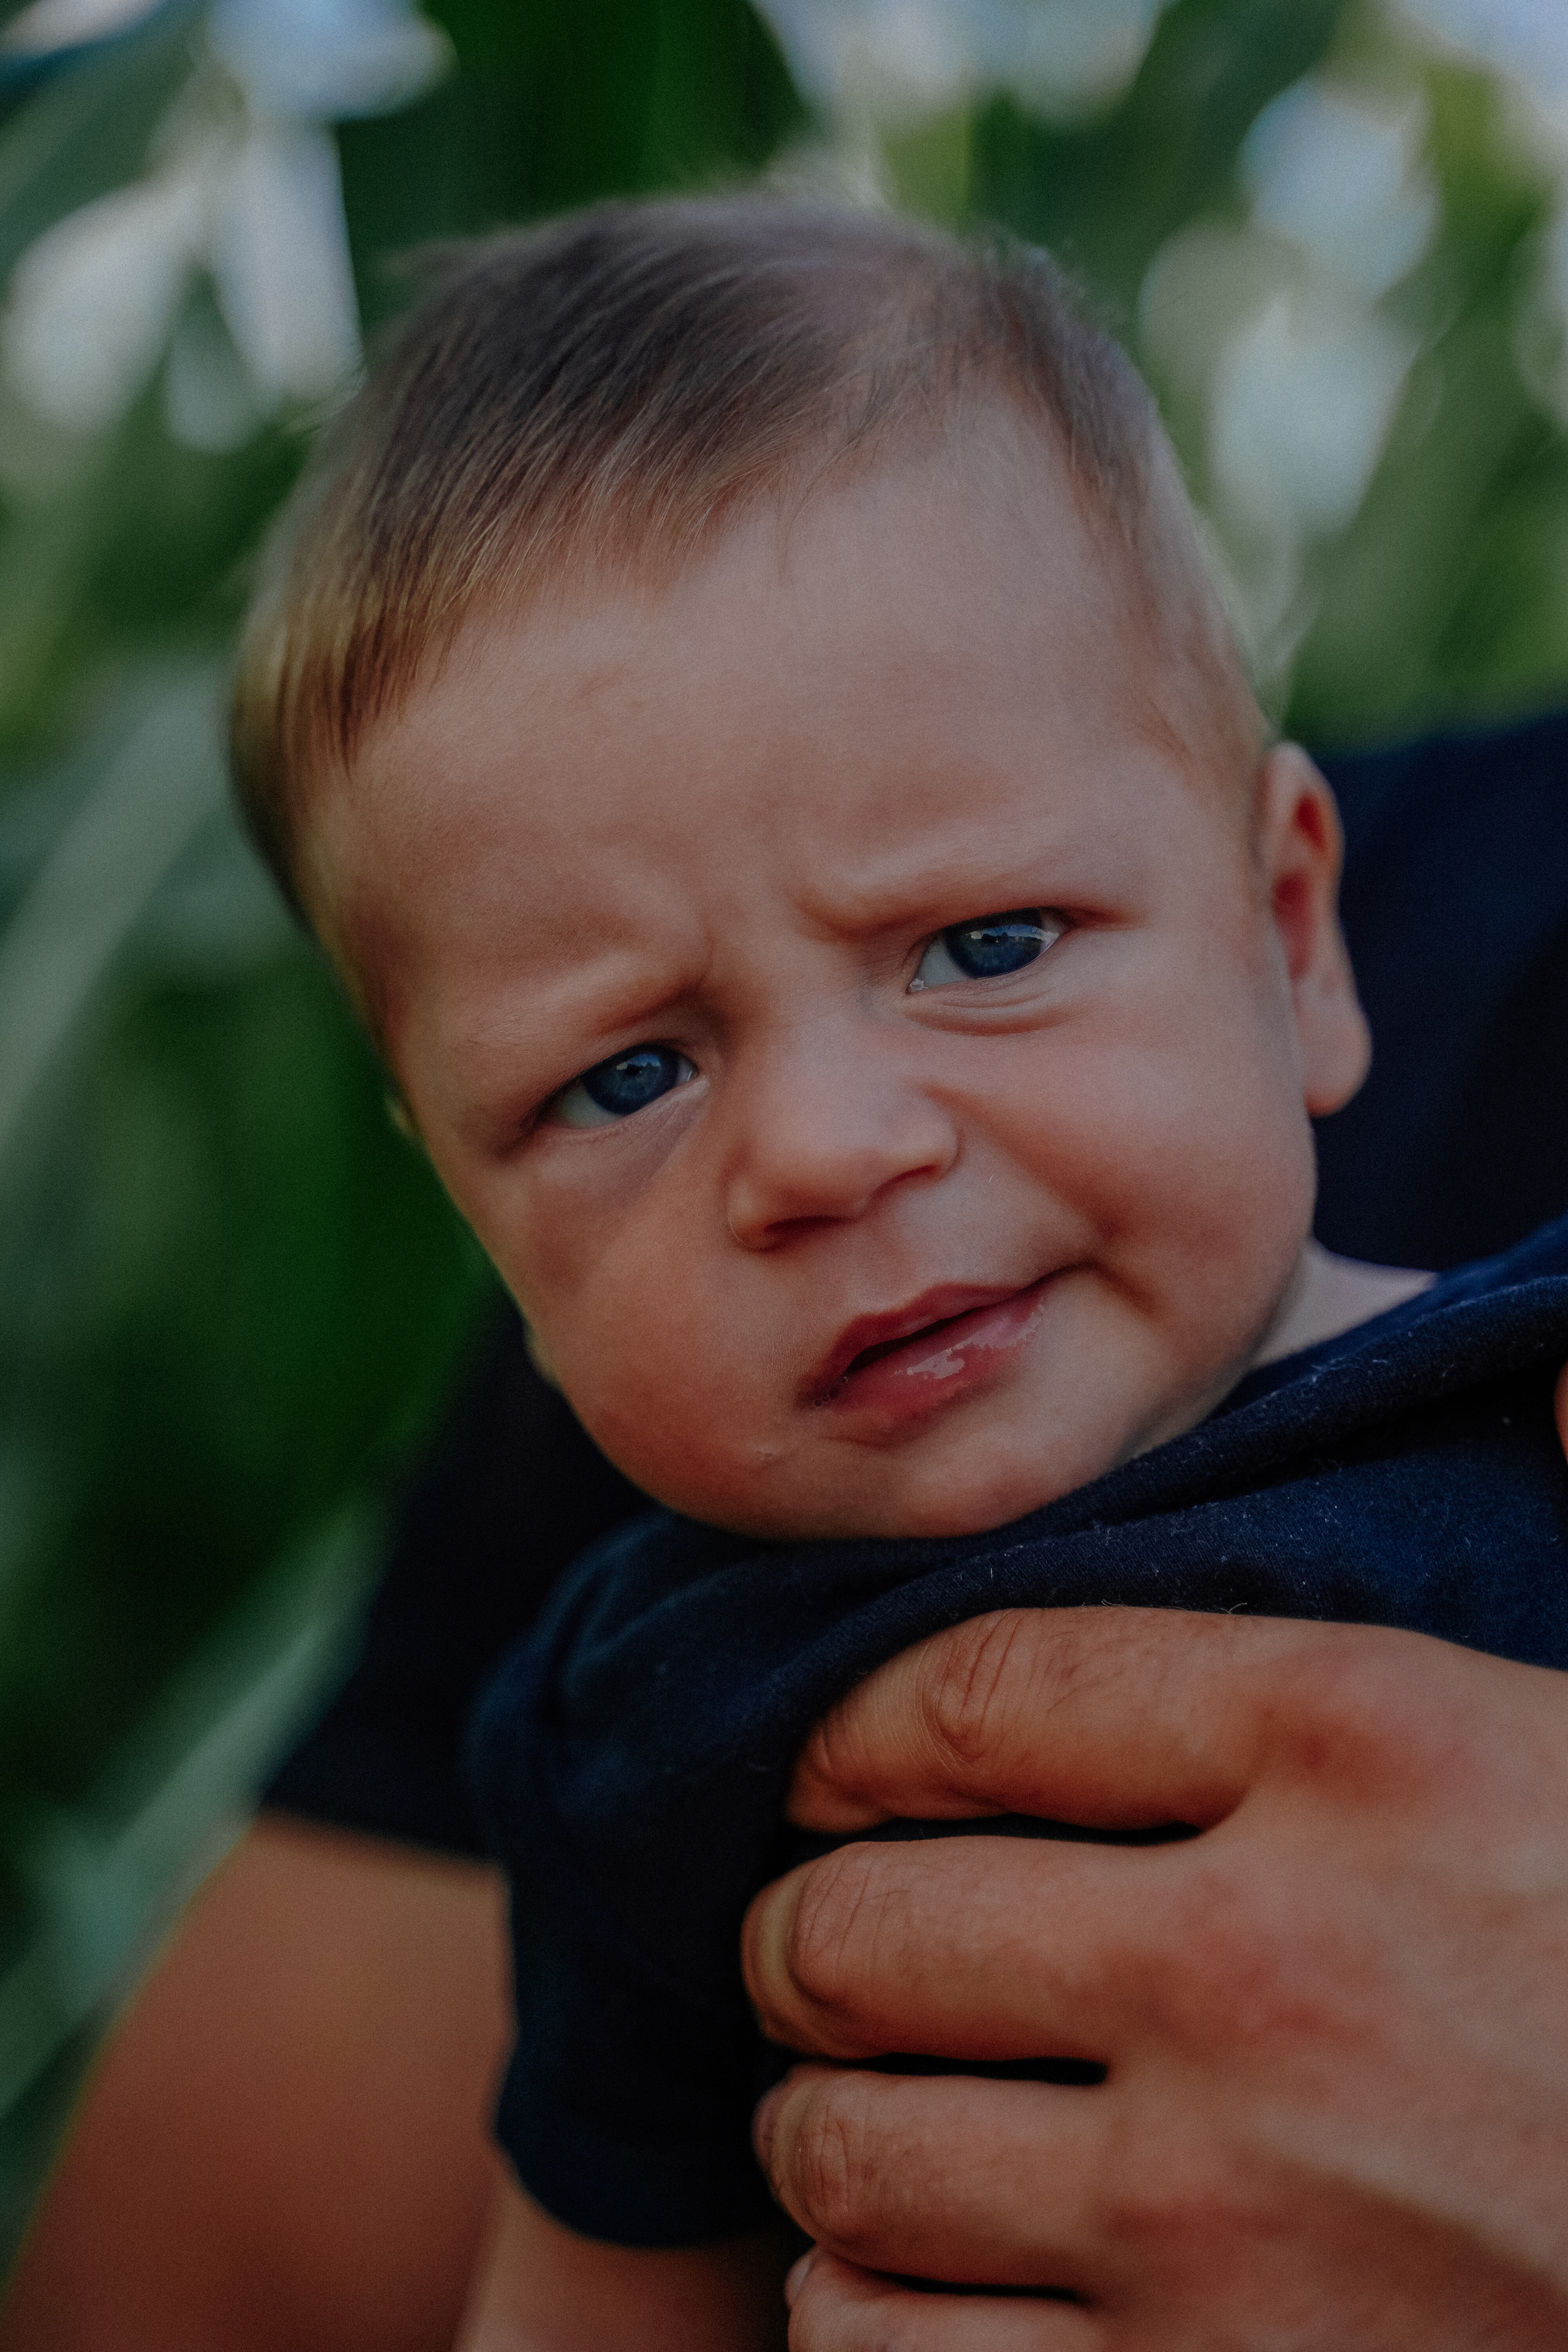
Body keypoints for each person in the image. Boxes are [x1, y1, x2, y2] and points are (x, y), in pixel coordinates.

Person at [208, 190, 1568, 2350]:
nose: (830, 1150)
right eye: (628, 1073)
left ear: (1294, 940)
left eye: (989, 947)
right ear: (477, 1222)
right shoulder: (641, 1733)